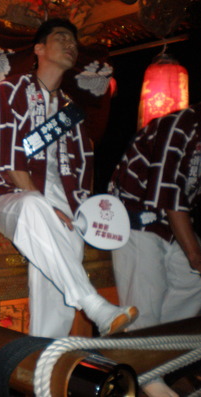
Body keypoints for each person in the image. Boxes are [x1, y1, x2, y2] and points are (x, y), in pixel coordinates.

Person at [0, 18, 138, 338]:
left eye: (74, 41)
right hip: (6, 194)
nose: (71, 45)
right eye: (61, 38)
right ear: (39, 49)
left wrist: (88, 217)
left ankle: (44, 360)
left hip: (60, 200)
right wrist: (44, 204)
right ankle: (94, 306)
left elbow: (82, 175)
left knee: (56, 265)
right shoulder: (11, 89)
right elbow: (6, 159)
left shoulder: (71, 111)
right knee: (33, 209)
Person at [109, 103, 201, 397]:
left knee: (193, 281)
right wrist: (195, 254)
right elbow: (169, 193)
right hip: (133, 214)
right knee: (144, 293)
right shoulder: (182, 124)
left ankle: (156, 352)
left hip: (169, 224)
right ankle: (146, 370)